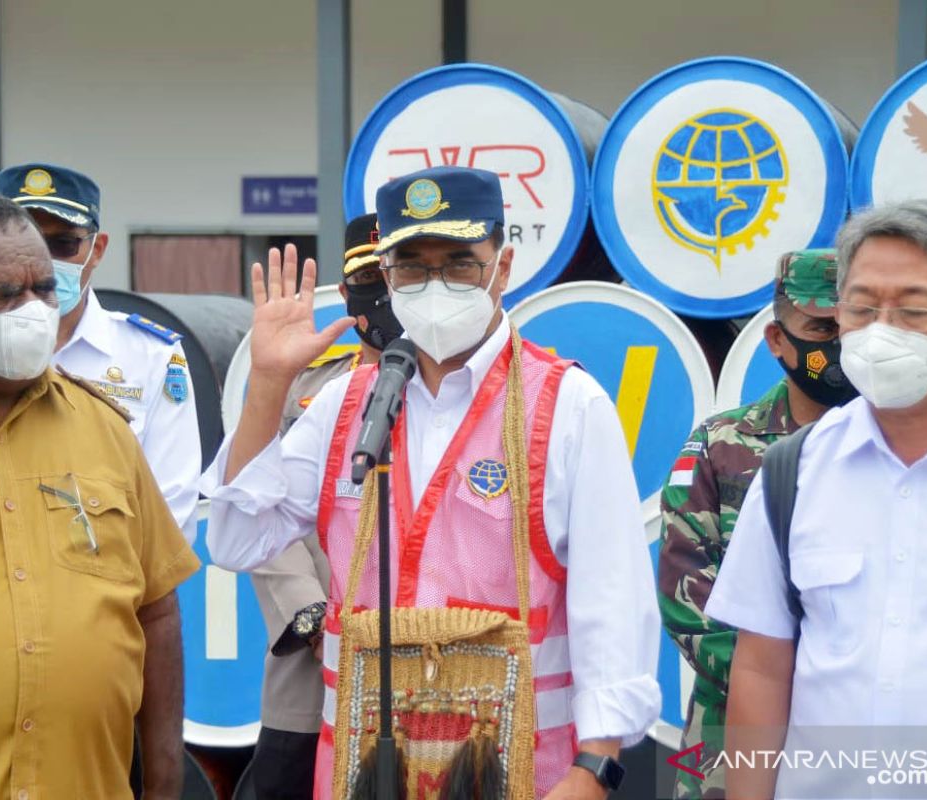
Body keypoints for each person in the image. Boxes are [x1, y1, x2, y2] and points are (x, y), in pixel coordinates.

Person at [203, 166, 660, 798]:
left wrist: (596, 766)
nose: (434, 283)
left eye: (459, 263)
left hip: (522, 771)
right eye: (413, 266)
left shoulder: (568, 406)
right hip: (365, 772)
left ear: (502, 267)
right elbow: (235, 540)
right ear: (387, 278)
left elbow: (611, 598)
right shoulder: (347, 407)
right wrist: (268, 384)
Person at [706, 199, 927, 799]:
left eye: (912, 310)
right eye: (861, 307)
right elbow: (760, 667)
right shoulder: (791, 473)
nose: (881, 331)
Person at [0, 189, 199, 799]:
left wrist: (163, 784)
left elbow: (155, 612)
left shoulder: (104, 427)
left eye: (44, 289)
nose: (34, 311)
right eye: (3, 295)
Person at [657, 249, 854, 798]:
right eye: (820, 327)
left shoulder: (902, 447)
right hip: (729, 730)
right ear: (777, 340)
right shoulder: (722, 444)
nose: (838, 344)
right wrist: (786, 682)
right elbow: (685, 595)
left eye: (851, 324)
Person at [248, 213, 401, 800]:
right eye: (370, 280)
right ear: (346, 293)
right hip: (311, 676)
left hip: (430, 667)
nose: (384, 296)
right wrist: (315, 617)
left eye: (397, 276)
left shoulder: (456, 391)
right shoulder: (299, 388)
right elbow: (258, 502)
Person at [0, 163, 201, 542]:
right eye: (23, 242)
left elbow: (171, 508)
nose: (42, 260)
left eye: (62, 244)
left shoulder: (151, 355)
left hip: (109, 587)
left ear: (97, 249)